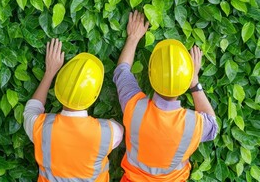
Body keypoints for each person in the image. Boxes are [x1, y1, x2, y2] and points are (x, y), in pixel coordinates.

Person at [114, 10, 218, 182]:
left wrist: (133, 38)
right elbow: (213, 126)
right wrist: (194, 82)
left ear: (150, 74)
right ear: (185, 82)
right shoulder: (193, 124)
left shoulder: (134, 106)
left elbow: (121, 71)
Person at [24, 38, 124, 181]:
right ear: (94, 96)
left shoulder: (40, 127)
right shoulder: (109, 132)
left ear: (59, 87)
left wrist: (49, 73)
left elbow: (32, 109)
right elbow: (119, 130)